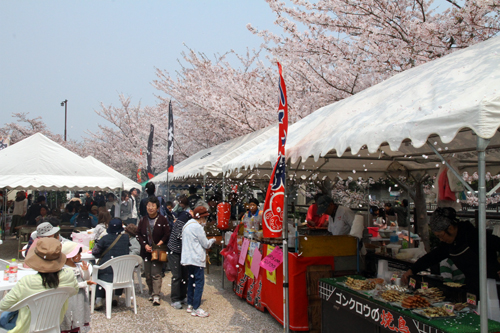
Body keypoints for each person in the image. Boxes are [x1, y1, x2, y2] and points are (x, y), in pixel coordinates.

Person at [402, 207, 500, 296]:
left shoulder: (473, 236)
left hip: (492, 287)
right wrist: (412, 270)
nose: (440, 239)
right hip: (472, 287)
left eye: (441, 235)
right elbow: (432, 257)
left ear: (451, 228)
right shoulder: (449, 244)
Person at [0, 238, 79, 333]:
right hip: (53, 326)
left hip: (26, 329)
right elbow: (75, 291)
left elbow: (4, 305)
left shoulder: (27, 282)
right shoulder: (69, 275)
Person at [181, 206, 216, 317]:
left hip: (188, 258)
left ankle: (190, 304)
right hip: (196, 259)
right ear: (200, 218)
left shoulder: (186, 225)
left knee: (191, 282)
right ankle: (196, 307)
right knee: (199, 283)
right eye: (204, 218)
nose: (205, 221)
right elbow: (205, 244)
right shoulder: (197, 227)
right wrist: (213, 240)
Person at [136, 196, 171, 306]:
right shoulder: (143, 220)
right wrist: (145, 245)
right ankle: (152, 292)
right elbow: (138, 234)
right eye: (148, 205)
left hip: (158, 251)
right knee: (147, 274)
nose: (150, 208)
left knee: (156, 273)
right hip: (146, 251)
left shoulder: (162, 219)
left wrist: (160, 242)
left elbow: (167, 233)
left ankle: (156, 295)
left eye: (153, 206)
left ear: (158, 207)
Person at [91, 218, 130, 309]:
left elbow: (95, 252)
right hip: (123, 273)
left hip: (107, 273)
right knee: (119, 268)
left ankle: (99, 299)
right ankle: (116, 296)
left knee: (98, 271)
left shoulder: (105, 239)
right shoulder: (125, 238)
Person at [60, 242, 95, 333]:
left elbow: (85, 278)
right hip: (71, 297)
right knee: (69, 315)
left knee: (79, 313)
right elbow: (70, 286)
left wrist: (86, 271)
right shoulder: (64, 269)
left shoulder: (78, 266)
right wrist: (85, 283)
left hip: (80, 297)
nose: (80, 256)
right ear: (70, 256)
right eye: (78, 254)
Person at [167, 203, 193, 310]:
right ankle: (175, 299)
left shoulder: (187, 217)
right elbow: (179, 236)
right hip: (174, 250)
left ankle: (183, 296)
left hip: (183, 251)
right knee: (177, 275)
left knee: (184, 275)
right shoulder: (183, 218)